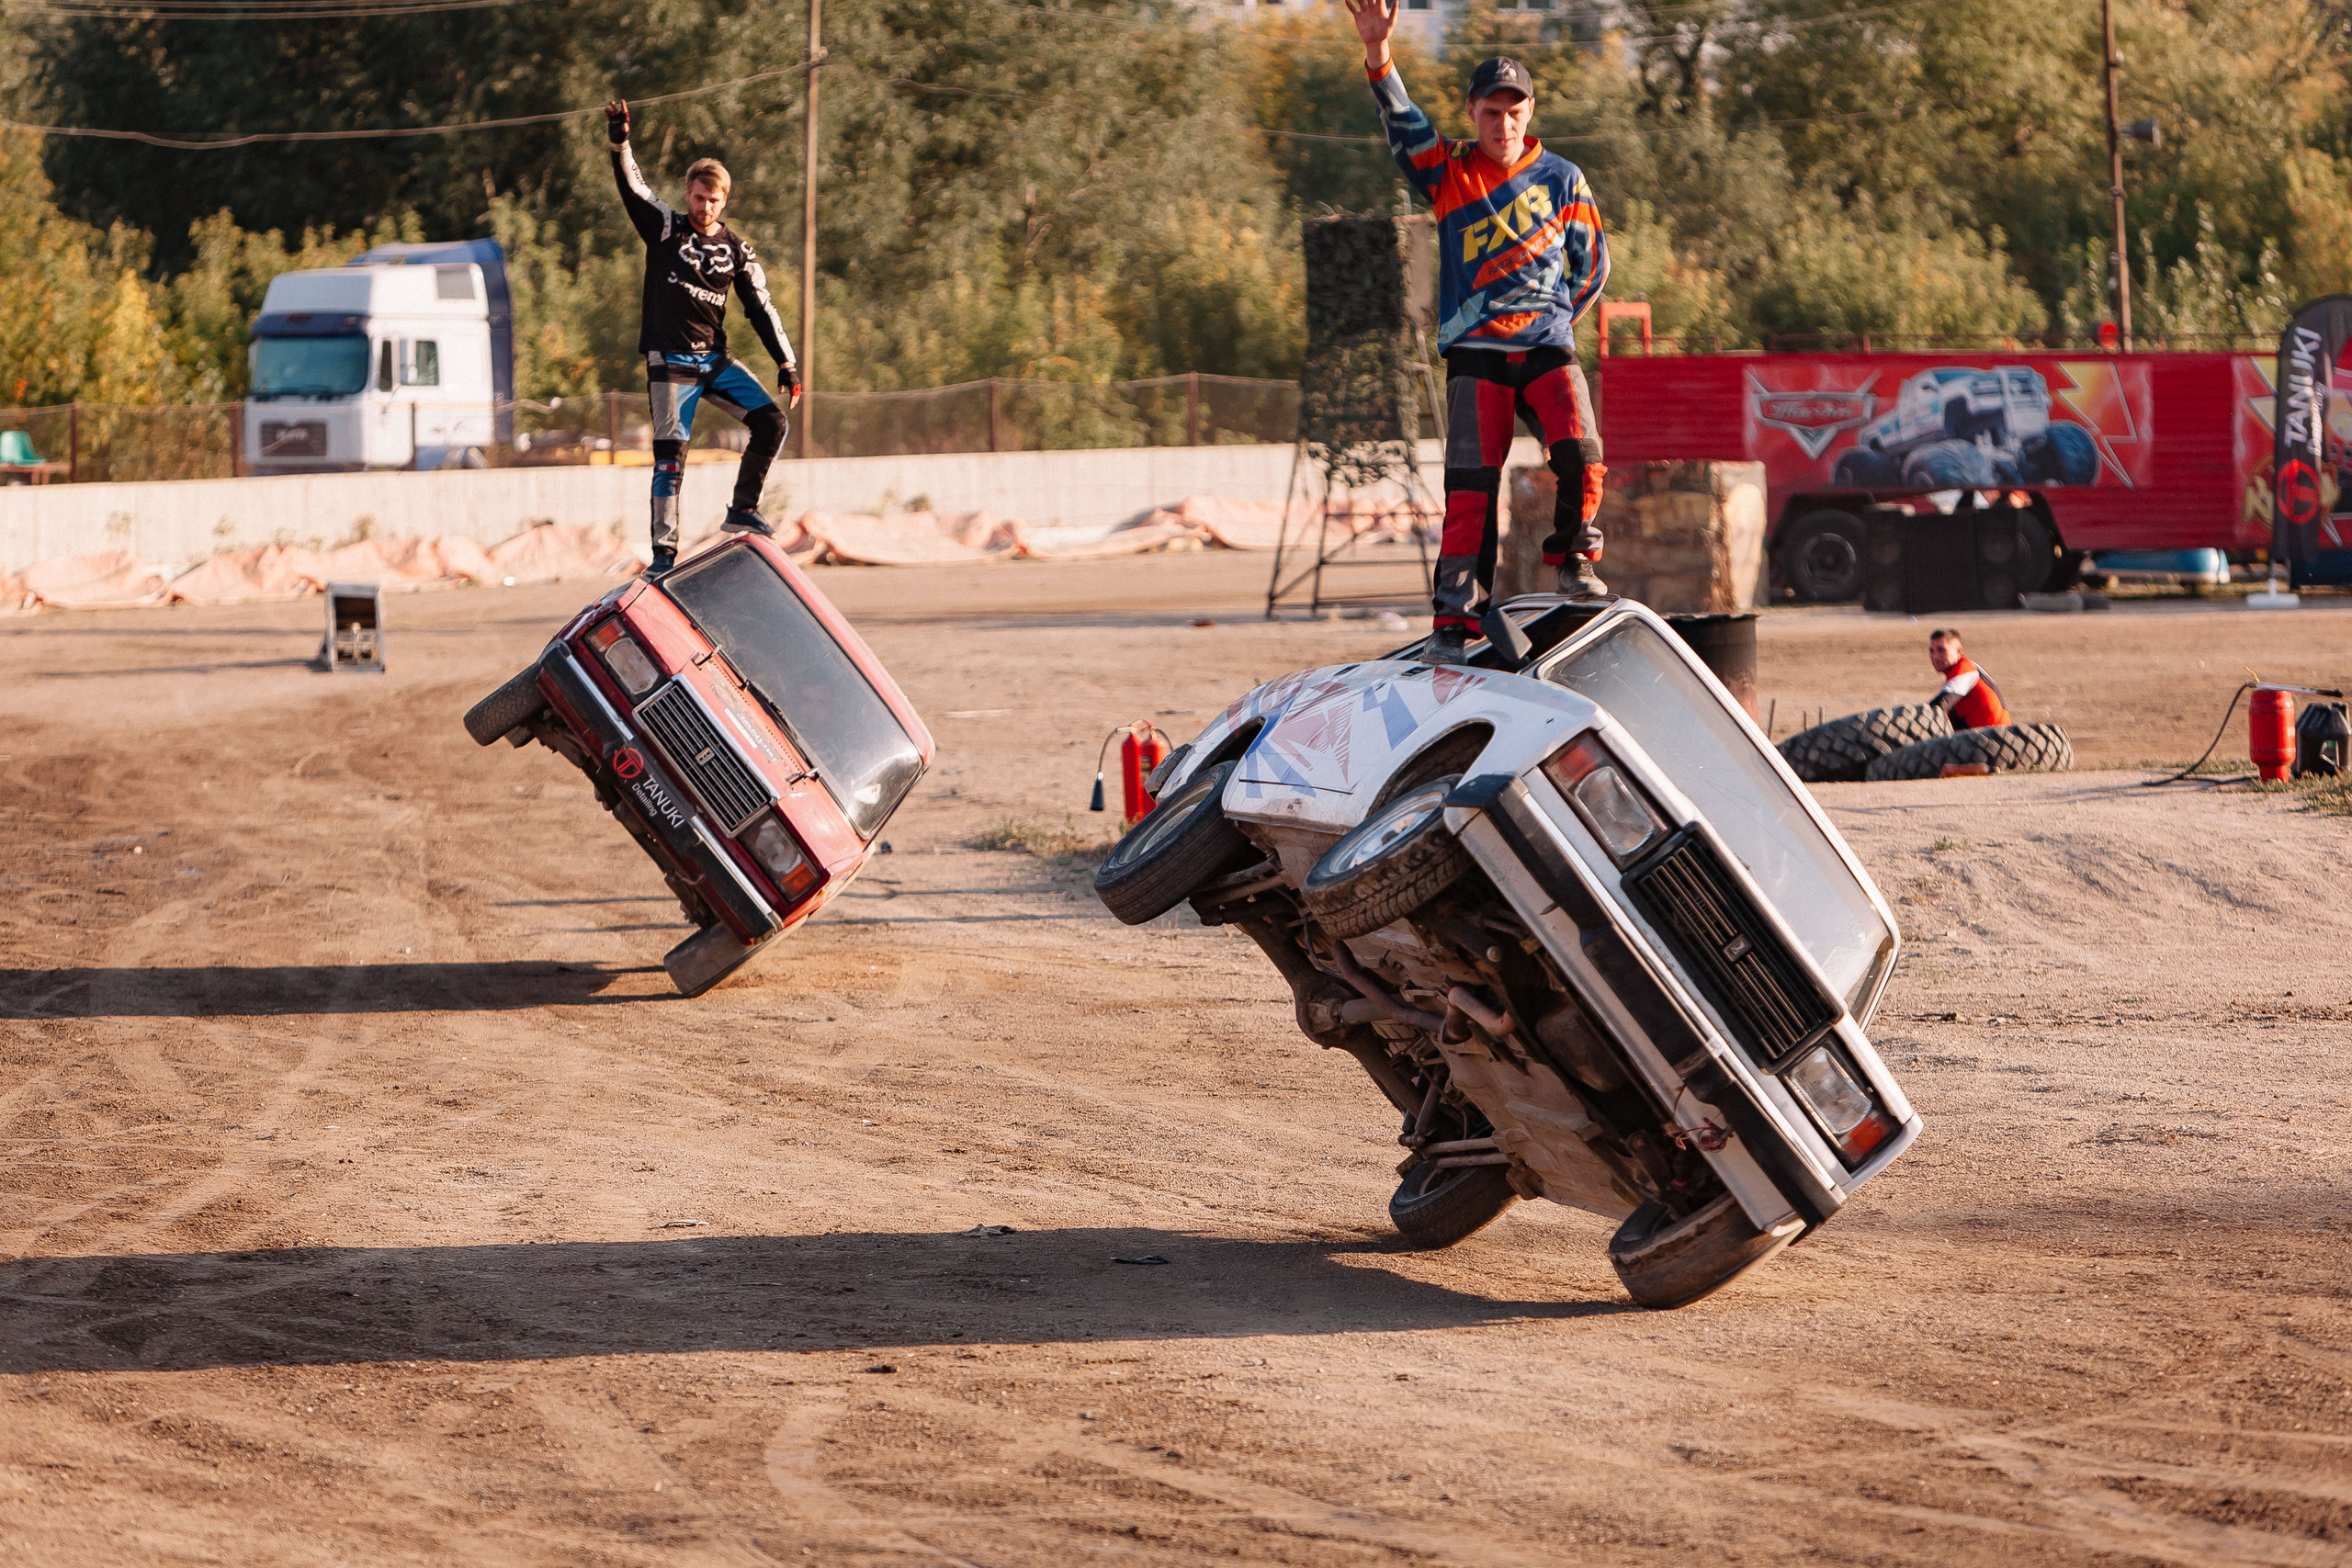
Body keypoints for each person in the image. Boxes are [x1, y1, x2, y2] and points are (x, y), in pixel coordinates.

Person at [1347, 0, 1611, 666]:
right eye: (1491, 112)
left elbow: (1593, 262)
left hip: (1547, 343)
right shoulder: (1449, 170)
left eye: (1514, 111)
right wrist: (1379, 55)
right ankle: (1455, 617)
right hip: (1474, 352)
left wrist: (1553, 319)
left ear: (1530, 112)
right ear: (1472, 113)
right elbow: (1403, 126)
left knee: (1581, 446)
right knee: (1470, 485)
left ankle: (1575, 562)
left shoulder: (1563, 179)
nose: (1503, 123)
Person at [605, 98, 801, 574]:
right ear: (688, 194)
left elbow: (762, 308)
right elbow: (633, 188)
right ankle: (663, 556)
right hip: (669, 362)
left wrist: (787, 363)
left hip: (714, 360)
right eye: (698, 197)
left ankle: (742, 511)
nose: (705, 206)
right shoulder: (666, 228)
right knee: (672, 457)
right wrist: (620, 140)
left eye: (714, 200)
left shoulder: (737, 250)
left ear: (725, 201)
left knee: (773, 424)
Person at [1928, 628, 2009, 729]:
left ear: (1959, 652)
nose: (1935, 656)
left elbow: (1940, 705)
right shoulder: (1961, 673)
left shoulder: (1966, 670)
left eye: (1941, 650)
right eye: (1932, 651)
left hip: (1994, 736)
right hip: (1982, 735)